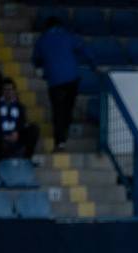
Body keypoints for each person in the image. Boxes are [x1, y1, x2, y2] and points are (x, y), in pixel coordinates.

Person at [32, 17, 94, 152]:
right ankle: (64, 134)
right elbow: (85, 49)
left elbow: (36, 59)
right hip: (71, 78)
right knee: (67, 108)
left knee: (58, 110)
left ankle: (60, 142)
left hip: (54, 81)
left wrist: (42, 72)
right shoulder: (68, 36)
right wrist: (93, 65)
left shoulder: (42, 40)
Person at [0, 78, 39, 159]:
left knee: (34, 129)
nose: (8, 92)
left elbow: (22, 122)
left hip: (16, 136)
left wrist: (16, 133)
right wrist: (3, 136)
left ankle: (27, 157)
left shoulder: (20, 107)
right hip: (1, 138)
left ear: (14, 91)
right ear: (2, 91)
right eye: (5, 89)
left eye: (10, 89)